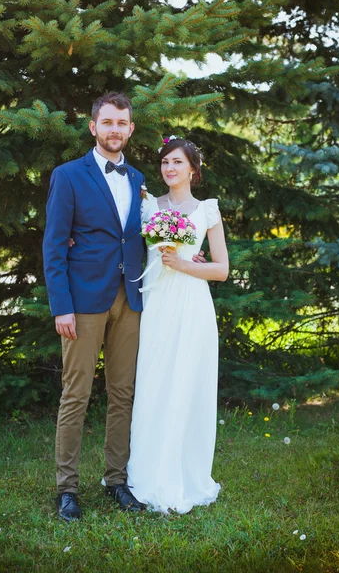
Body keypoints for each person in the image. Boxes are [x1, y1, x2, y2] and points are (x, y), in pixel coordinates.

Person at [43, 92, 146, 520]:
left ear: (130, 129)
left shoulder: (139, 178)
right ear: (93, 127)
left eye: (122, 123)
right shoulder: (68, 175)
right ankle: (67, 489)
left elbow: (140, 237)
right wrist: (61, 306)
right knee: (77, 394)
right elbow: (53, 244)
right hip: (83, 301)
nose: (114, 130)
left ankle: (116, 481)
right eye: (107, 123)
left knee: (123, 393)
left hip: (130, 298)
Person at [127, 136, 229, 514]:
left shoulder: (207, 211)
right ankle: (146, 471)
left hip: (192, 304)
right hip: (156, 303)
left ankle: (184, 473)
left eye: (177, 162)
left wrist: (184, 263)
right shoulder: (148, 205)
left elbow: (221, 269)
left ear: (192, 170)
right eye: (165, 162)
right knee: (154, 381)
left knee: (187, 383)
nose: (170, 168)